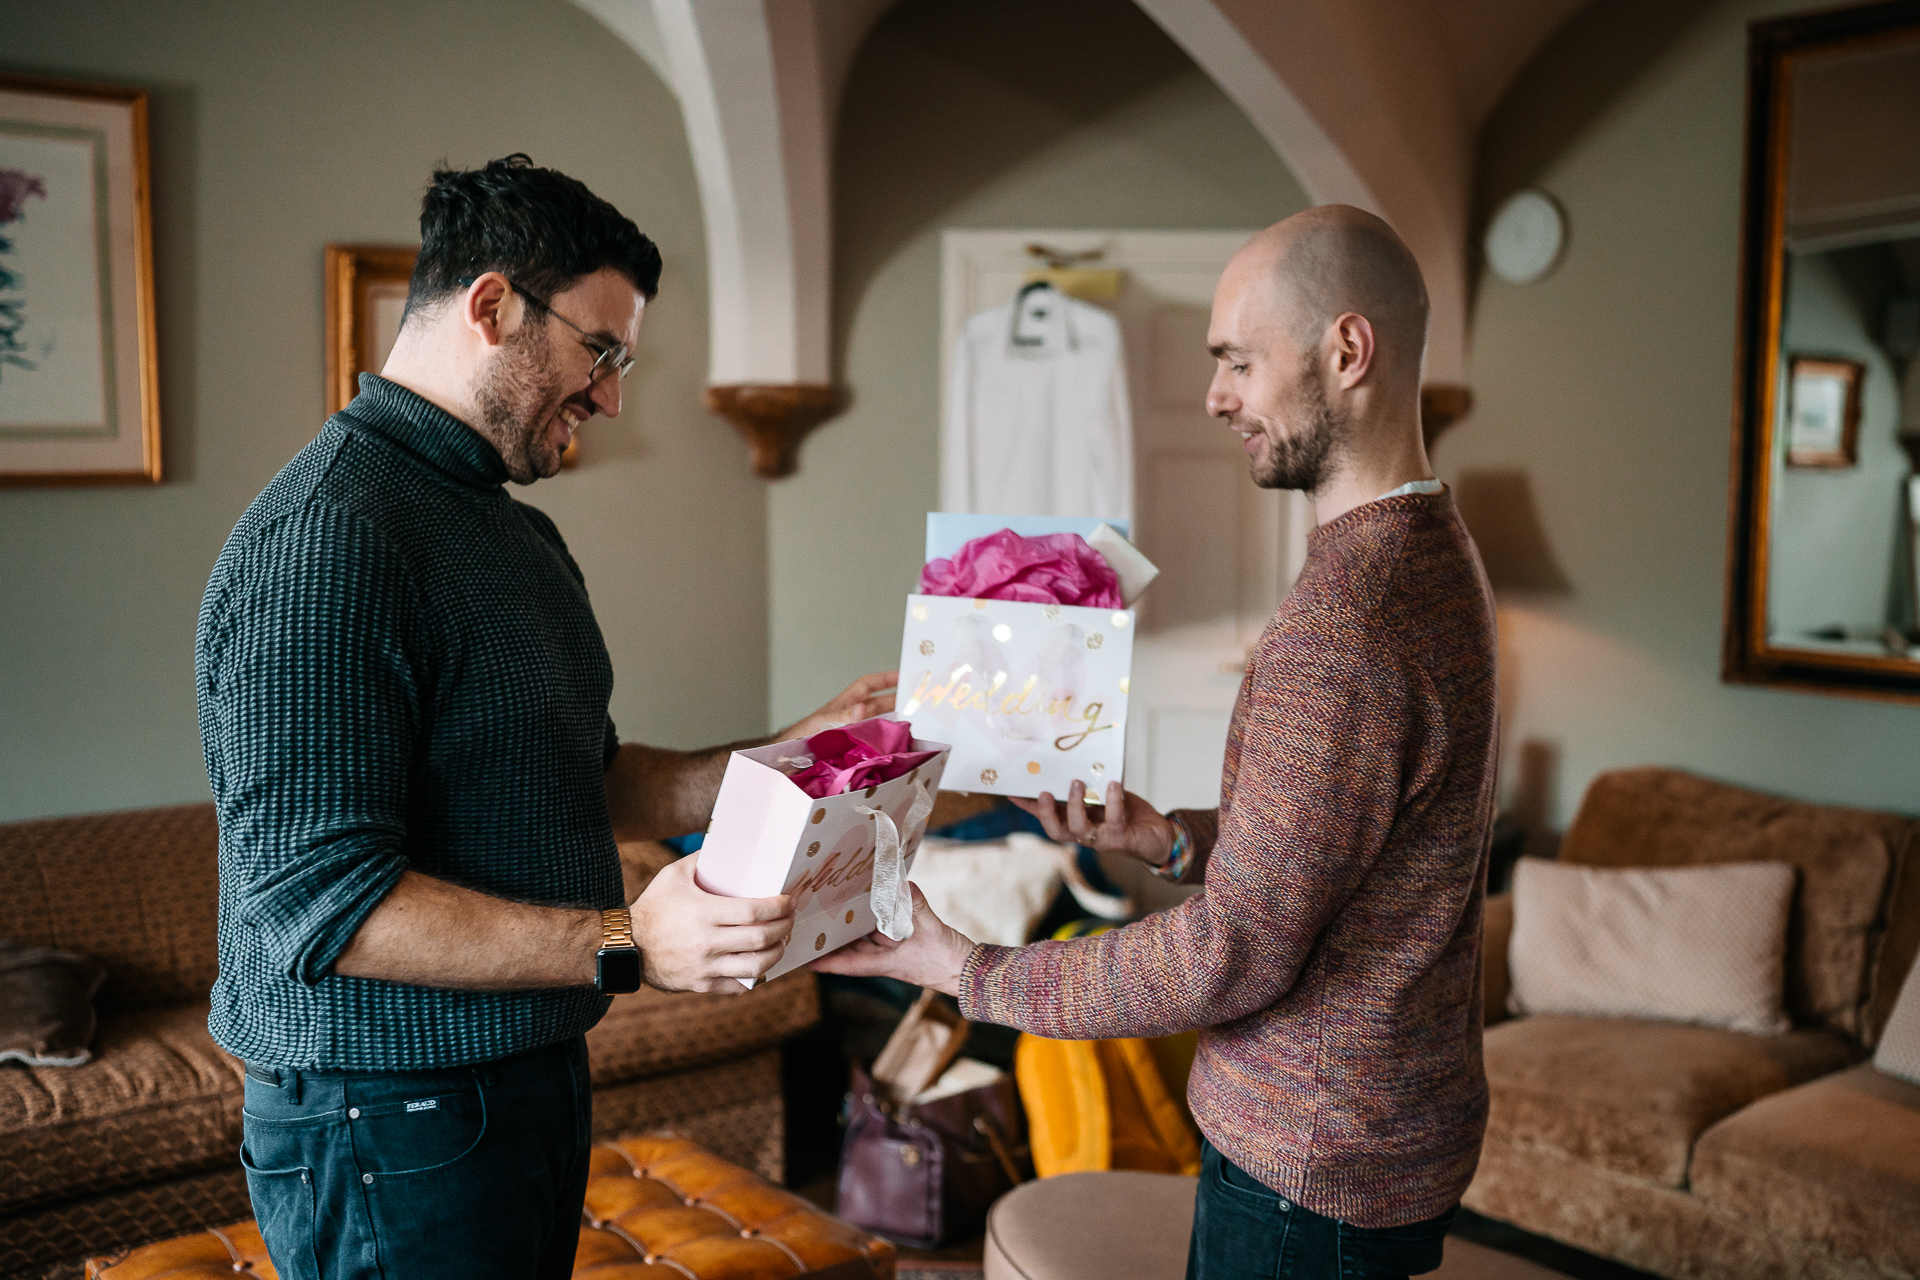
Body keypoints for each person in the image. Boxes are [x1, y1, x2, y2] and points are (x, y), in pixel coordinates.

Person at [195, 155, 891, 1280]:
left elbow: (582, 777)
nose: (613, 395)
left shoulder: (514, 533)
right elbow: (316, 906)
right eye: (602, 350)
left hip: (526, 1066)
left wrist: (792, 754)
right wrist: (626, 942)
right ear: (492, 306)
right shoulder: (329, 537)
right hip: (385, 1117)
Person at [817, 206, 1498, 1280]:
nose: (1218, 394)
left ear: (1347, 350)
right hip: (1380, 1129)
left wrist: (971, 970)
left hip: (1305, 1164)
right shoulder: (1434, 549)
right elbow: (1350, 842)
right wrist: (1177, 839)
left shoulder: (1350, 616)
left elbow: (1230, 952)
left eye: (1237, 361)